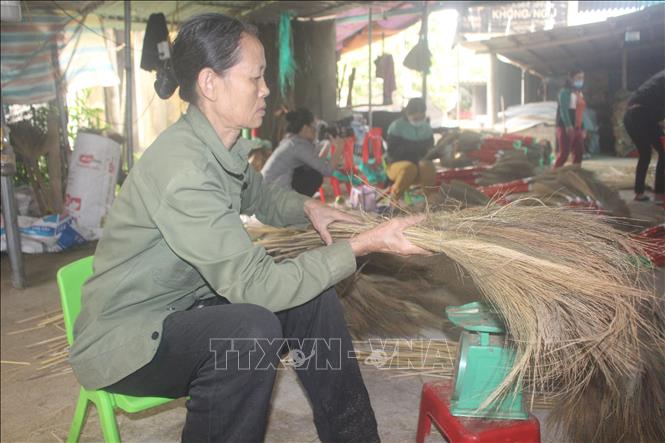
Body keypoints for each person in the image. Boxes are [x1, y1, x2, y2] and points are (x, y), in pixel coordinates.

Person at [68, 14, 429, 443]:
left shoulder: (222, 146)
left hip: (179, 308)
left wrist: (310, 208)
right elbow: (257, 287)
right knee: (248, 335)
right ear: (210, 83)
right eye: (255, 77)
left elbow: (260, 196)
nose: (266, 90)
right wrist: (360, 246)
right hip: (127, 340)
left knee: (312, 299)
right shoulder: (184, 170)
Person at [261, 108, 344, 197]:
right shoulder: (298, 145)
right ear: (305, 128)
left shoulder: (291, 140)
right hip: (271, 195)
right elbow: (327, 170)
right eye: (313, 126)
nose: (315, 131)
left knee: (311, 172)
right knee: (315, 177)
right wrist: (339, 147)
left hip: (266, 189)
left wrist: (327, 145)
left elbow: (316, 163)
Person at [623, 70, 664, 202]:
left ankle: (639, 193)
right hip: (642, 115)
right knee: (663, 151)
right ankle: (660, 195)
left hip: (631, 116)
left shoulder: (659, 77)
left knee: (645, 153)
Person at [385, 97, 436, 200]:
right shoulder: (396, 127)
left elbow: (430, 150)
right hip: (397, 166)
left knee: (428, 166)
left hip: (418, 167)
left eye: (421, 118)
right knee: (409, 167)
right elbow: (392, 154)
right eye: (415, 119)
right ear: (408, 115)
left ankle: (429, 200)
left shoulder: (427, 128)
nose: (418, 121)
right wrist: (413, 148)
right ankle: (394, 199)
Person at [554, 68, 587, 168]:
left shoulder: (579, 93)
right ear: (571, 79)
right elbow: (564, 110)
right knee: (564, 154)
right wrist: (568, 126)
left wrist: (583, 127)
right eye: (578, 78)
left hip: (577, 127)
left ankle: (575, 173)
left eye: (582, 78)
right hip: (565, 127)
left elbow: (581, 112)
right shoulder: (564, 92)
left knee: (579, 152)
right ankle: (554, 174)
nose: (581, 80)